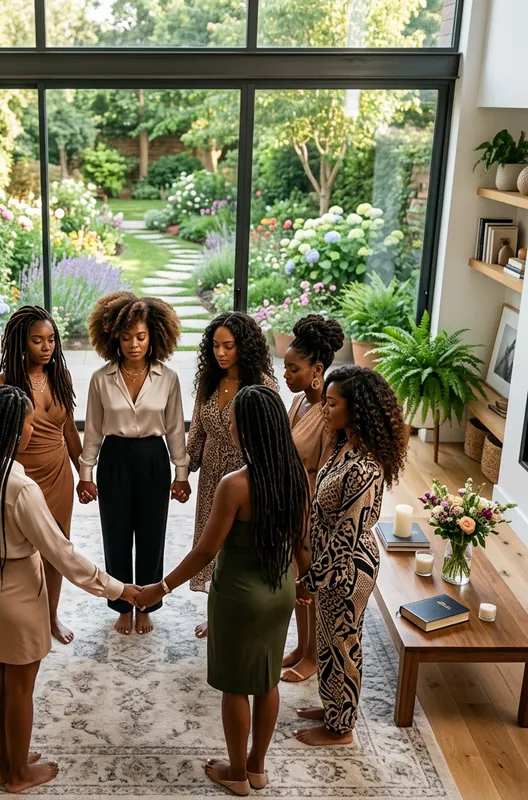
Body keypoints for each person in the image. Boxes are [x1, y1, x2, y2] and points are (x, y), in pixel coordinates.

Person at [0, 386, 139, 792]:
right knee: (20, 687)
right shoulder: (20, 488)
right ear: (11, 432)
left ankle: (6, 763)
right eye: (28, 425)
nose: (31, 432)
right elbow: (61, 553)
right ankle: (18, 774)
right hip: (18, 592)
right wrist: (118, 588)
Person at [135, 386, 310, 796]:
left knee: (236, 685)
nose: (228, 425)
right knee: (267, 682)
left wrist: (159, 587)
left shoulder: (235, 485)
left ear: (246, 432)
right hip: (280, 589)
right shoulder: (297, 475)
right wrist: (302, 582)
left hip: (239, 596)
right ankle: (258, 768)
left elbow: (205, 552)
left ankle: (235, 773)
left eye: (233, 421)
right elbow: (303, 544)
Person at [294, 365, 407, 746]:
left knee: (343, 646)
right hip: (331, 566)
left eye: (332, 403)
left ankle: (341, 729)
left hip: (346, 570)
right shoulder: (345, 445)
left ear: (355, 409)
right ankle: (332, 706)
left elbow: (345, 540)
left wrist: (310, 581)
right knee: (328, 641)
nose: (324, 409)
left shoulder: (363, 468)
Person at [77, 291, 190, 636]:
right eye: (126, 338)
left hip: (154, 458)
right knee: (116, 533)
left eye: (140, 337)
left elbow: (174, 428)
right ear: (114, 338)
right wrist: (86, 473)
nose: (134, 345)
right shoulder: (101, 378)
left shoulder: (168, 378)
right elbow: (94, 428)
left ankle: (147, 604)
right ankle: (122, 603)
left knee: (153, 534)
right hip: (115, 459)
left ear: (154, 336)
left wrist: (181, 473)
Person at [0, 305, 81, 645]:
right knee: (22, 552)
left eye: (52, 340)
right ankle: (22, 614)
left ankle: (51, 615)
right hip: (20, 478)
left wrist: (84, 473)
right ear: (20, 343)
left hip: (58, 473)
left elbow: (69, 429)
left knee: (56, 548)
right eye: (37, 341)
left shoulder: (61, 377)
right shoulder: (3, 383)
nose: (47, 347)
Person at [187, 311, 277, 639]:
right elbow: (197, 429)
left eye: (228, 346)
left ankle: (245, 609)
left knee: (239, 548)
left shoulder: (263, 386)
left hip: (247, 479)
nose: (220, 353)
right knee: (211, 545)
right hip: (211, 476)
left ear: (246, 347)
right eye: (215, 346)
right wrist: (184, 472)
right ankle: (217, 613)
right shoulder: (210, 382)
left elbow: (272, 437)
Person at [280, 314, 344, 683]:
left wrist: (311, 517)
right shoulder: (301, 402)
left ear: (317, 369)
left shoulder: (328, 414)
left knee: (310, 582)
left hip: (312, 506)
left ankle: (314, 658)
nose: (286, 375)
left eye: (294, 368)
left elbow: (328, 470)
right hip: (292, 499)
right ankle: (302, 647)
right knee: (296, 581)